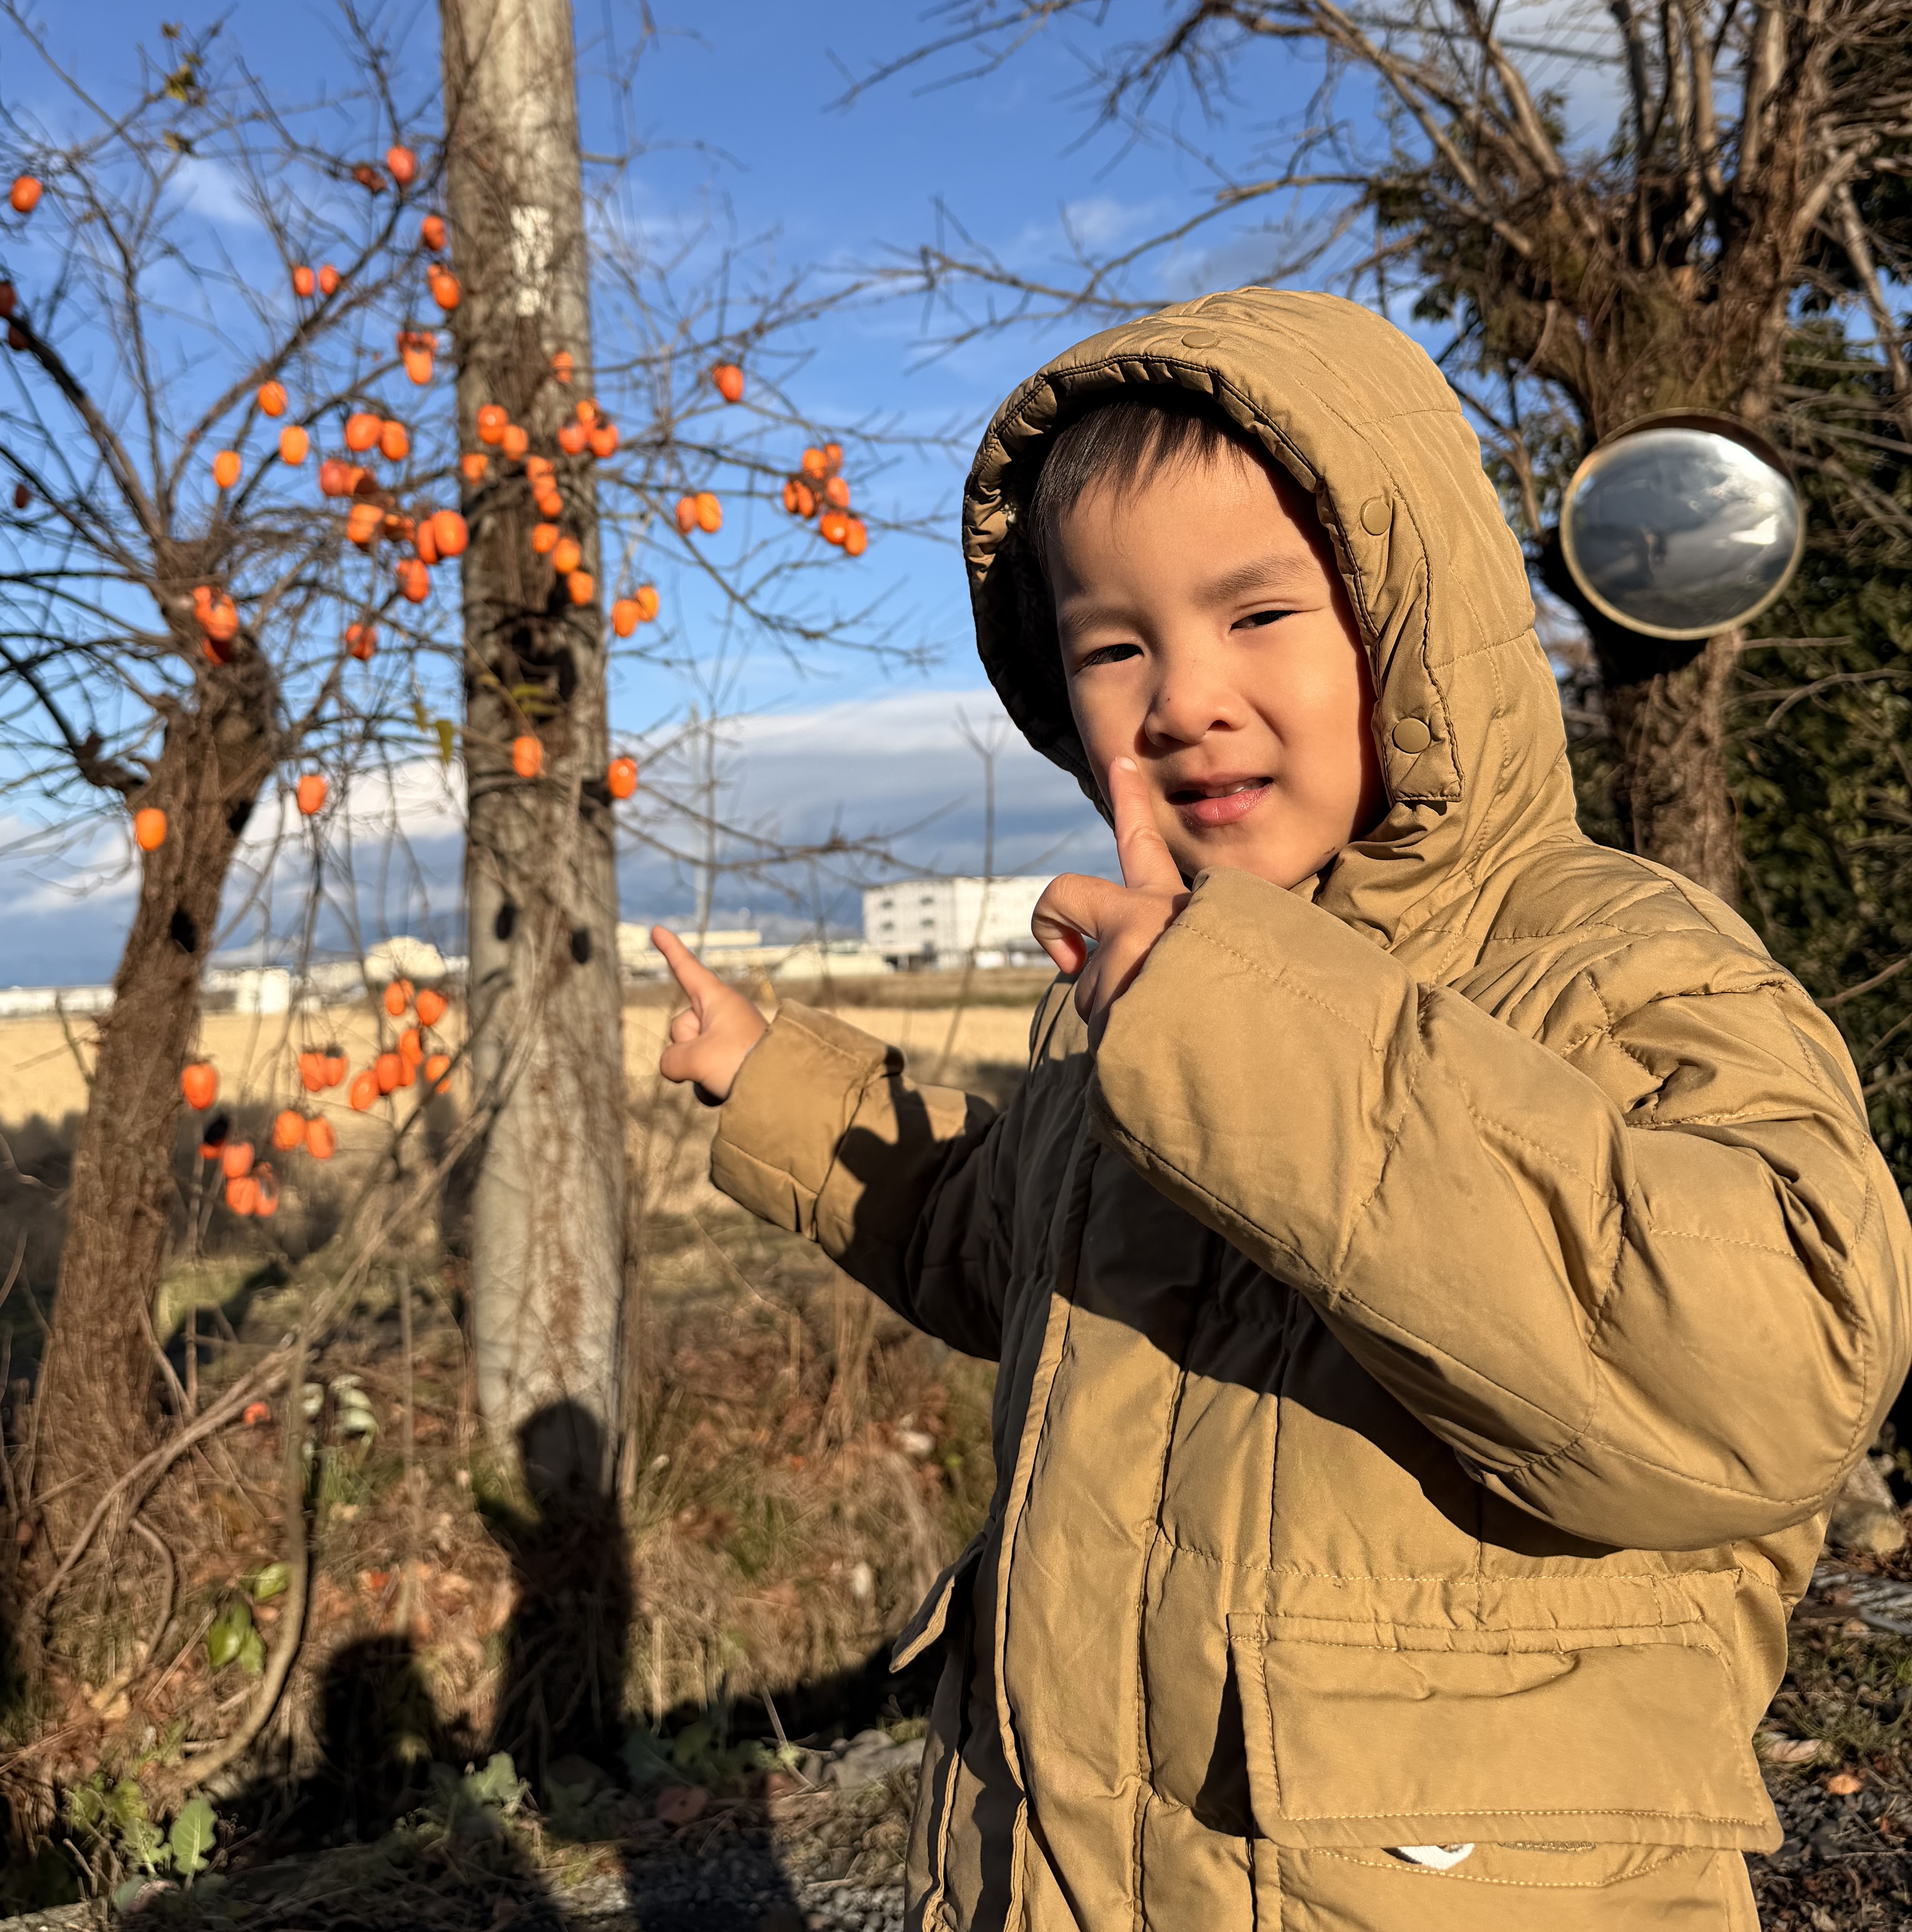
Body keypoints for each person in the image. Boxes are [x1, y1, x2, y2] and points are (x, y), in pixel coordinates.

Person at [654, 289, 1912, 1930]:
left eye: (1258, 614)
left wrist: (1249, 1039)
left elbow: (1777, 1371)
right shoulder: (1145, 999)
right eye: (1113, 646)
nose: (1181, 698)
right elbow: (990, 1229)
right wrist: (778, 1080)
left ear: (1415, 618)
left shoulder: (1604, 961)